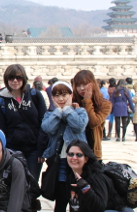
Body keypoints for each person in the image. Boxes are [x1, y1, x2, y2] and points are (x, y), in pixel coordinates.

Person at [0, 64, 46, 180]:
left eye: (18, 77)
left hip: (34, 149)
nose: (15, 81)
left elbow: (43, 123)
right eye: (11, 78)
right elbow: (1, 128)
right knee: (16, 182)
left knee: (32, 184)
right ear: (6, 80)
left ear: (24, 78)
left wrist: (41, 149)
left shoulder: (35, 95)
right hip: (12, 149)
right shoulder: (0, 100)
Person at [40, 81, 89, 212]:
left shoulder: (80, 112)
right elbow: (47, 128)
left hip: (77, 162)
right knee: (61, 200)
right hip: (60, 162)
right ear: (52, 98)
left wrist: (67, 110)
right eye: (56, 95)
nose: (61, 99)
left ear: (71, 95)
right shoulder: (50, 114)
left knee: (77, 200)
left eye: (64, 94)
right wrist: (58, 111)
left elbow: (79, 126)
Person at [64, 140, 132, 212]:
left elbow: (99, 209)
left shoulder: (97, 178)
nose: (74, 158)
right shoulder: (71, 175)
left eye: (79, 155)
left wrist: (85, 188)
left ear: (86, 159)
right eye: (71, 154)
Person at [72, 70, 112, 161]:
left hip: (92, 150)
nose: (81, 88)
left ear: (92, 84)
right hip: (73, 151)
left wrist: (87, 100)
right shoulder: (72, 103)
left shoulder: (104, 104)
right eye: (78, 85)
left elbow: (93, 122)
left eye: (84, 84)